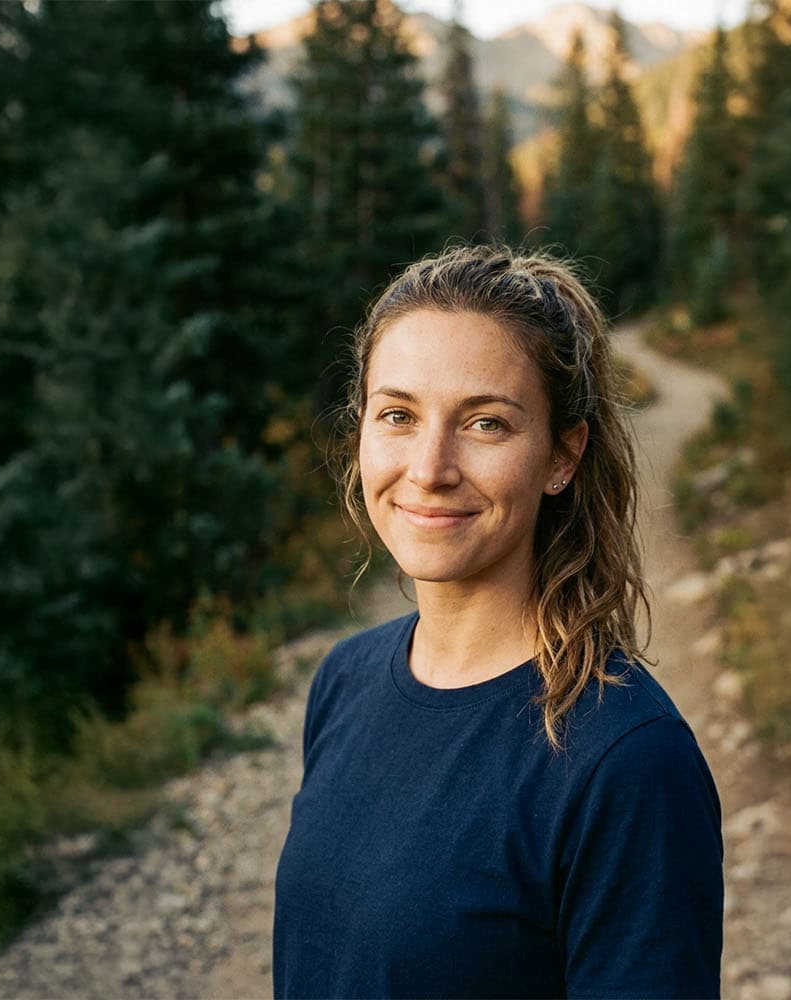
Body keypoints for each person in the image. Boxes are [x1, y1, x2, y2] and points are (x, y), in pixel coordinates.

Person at [272, 244, 724, 999]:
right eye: (398, 416)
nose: (428, 468)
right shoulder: (343, 681)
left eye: (484, 424)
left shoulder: (624, 759)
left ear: (562, 456)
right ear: (360, 431)